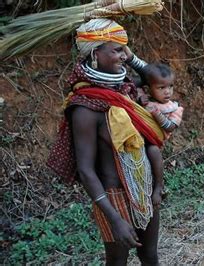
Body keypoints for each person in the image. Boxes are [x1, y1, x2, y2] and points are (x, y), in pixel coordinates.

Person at [47, 18, 167, 265]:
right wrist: (114, 219)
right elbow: (86, 170)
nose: (124, 56)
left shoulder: (124, 90)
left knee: (150, 256)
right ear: (95, 54)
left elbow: (153, 78)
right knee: (117, 261)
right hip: (113, 197)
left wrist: (130, 56)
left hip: (143, 188)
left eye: (126, 49)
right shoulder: (85, 108)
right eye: (117, 50)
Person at [140, 63, 184, 140]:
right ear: (147, 89)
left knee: (153, 150)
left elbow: (170, 128)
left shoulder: (175, 108)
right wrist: (139, 101)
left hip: (155, 138)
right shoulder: (145, 99)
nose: (167, 91)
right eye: (161, 88)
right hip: (140, 132)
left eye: (170, 86)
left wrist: (157, 114)